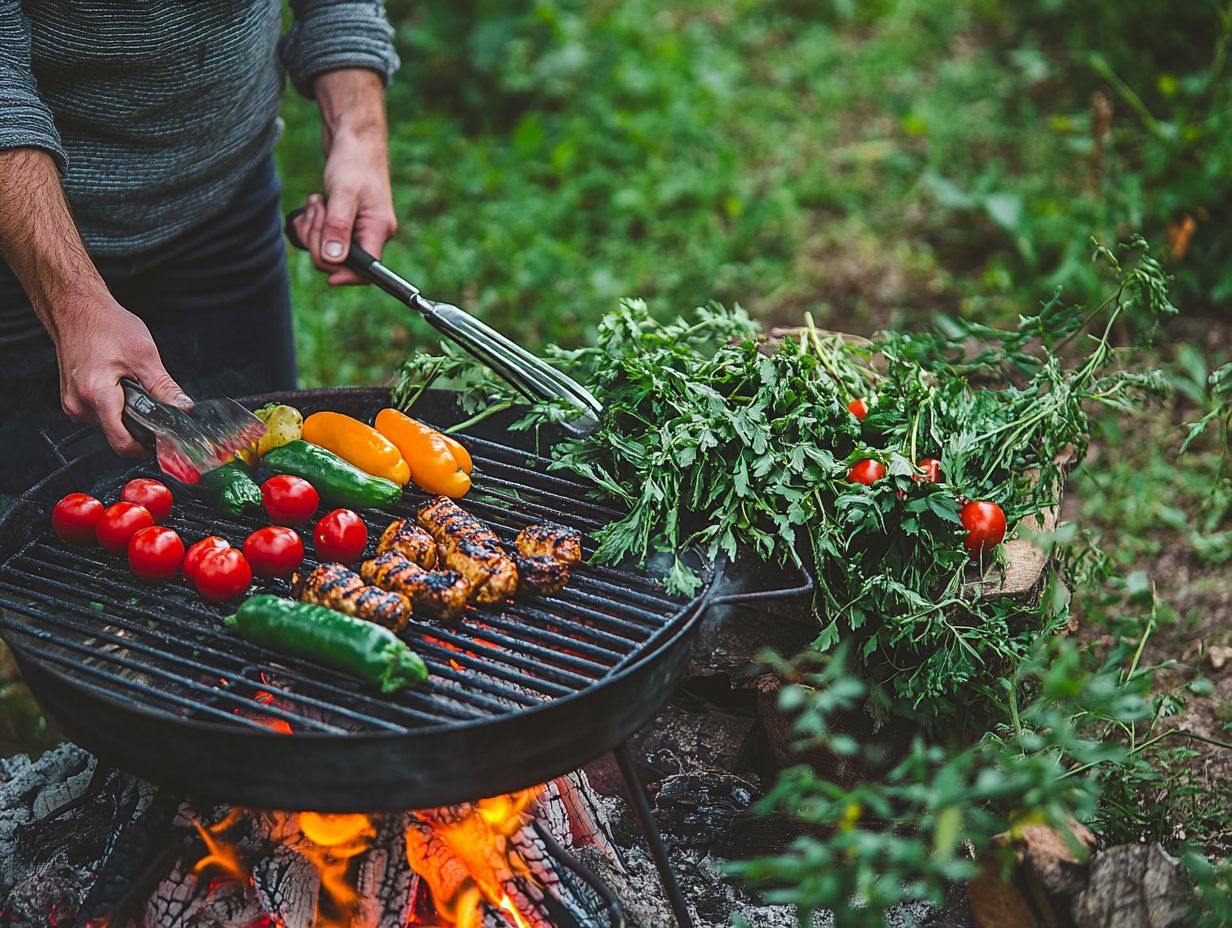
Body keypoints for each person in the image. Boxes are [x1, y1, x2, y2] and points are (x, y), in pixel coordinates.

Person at [0, 1, 401, 495]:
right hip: (18, 240)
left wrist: (358, 132)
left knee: (261, 468)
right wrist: (69, 303)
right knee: (42, 506)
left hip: (226, 200)